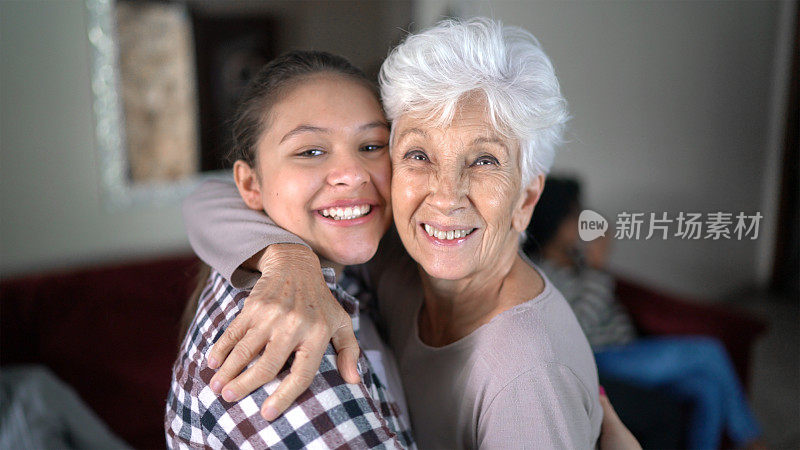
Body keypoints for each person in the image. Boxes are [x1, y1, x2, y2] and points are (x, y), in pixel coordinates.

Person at [184, 19, 607, 448]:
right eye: (419, 154)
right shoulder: (392, 260)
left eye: (484, 161)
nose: (446, 197)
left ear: (526, 198)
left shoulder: (531, 376)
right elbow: (209, 198)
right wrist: (285, 259)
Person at [165, 50, 414, 448]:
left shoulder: (341, 266)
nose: (351, 174)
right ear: (250, 185)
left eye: (371, 145)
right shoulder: (288, 361)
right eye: (310, 151)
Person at [525, 176, 765, 450]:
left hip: (628, 350)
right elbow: (581, 325)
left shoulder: (576, 258)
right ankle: (752, 441)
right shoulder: (543, 272)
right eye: (573, 214)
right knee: (708, 351)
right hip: (604, 359)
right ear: (552, 221)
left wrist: (593, 258)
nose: (581, 219)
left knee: (707, 389)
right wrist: (598, 267)